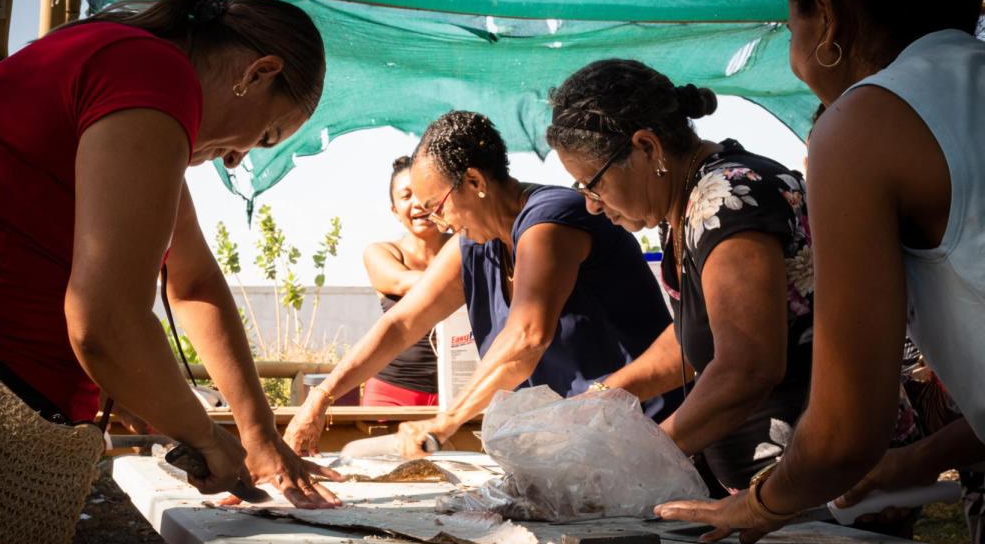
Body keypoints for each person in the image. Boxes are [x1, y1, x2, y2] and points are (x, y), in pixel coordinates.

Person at [0, 0, 342, 511]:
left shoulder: (129, 74)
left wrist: (259, 434)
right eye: (266, 135)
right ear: (259, 73)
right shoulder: (151, 74)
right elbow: (104, 324)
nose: (236, 160)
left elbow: (195, 282)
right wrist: (202, 435)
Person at [654, 0, 985, 544]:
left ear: (826, 13)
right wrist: (922, 457)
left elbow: (844, 433)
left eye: (790, 26)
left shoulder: (867, 121)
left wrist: (758, 506)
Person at [284, 110, 672, 457]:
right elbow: (402, 323)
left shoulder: (552, 220)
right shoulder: (474, 243)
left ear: (473, 181)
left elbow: (526, 337)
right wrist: (321, 398)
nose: (440, 225)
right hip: (578, 443)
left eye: (437, 208)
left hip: (650, 434)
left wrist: (446, 421)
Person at [547, 59, 813, 492]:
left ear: (647, 147)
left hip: (812, 487)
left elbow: (747, 366)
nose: (592, 204)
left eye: (591, 183)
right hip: (770, 487)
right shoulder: (692, 203)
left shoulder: (727, 202)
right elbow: (703, 329)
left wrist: (641, 458)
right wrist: (606, 396)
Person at [360, 156, 449, 406]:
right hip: (392, 393)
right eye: (406, 196)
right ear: (395, 210)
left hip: (462, 392)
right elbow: (402, 282)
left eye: (426, 193)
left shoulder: (466, 245)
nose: (419, 204)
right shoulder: (381, 252)